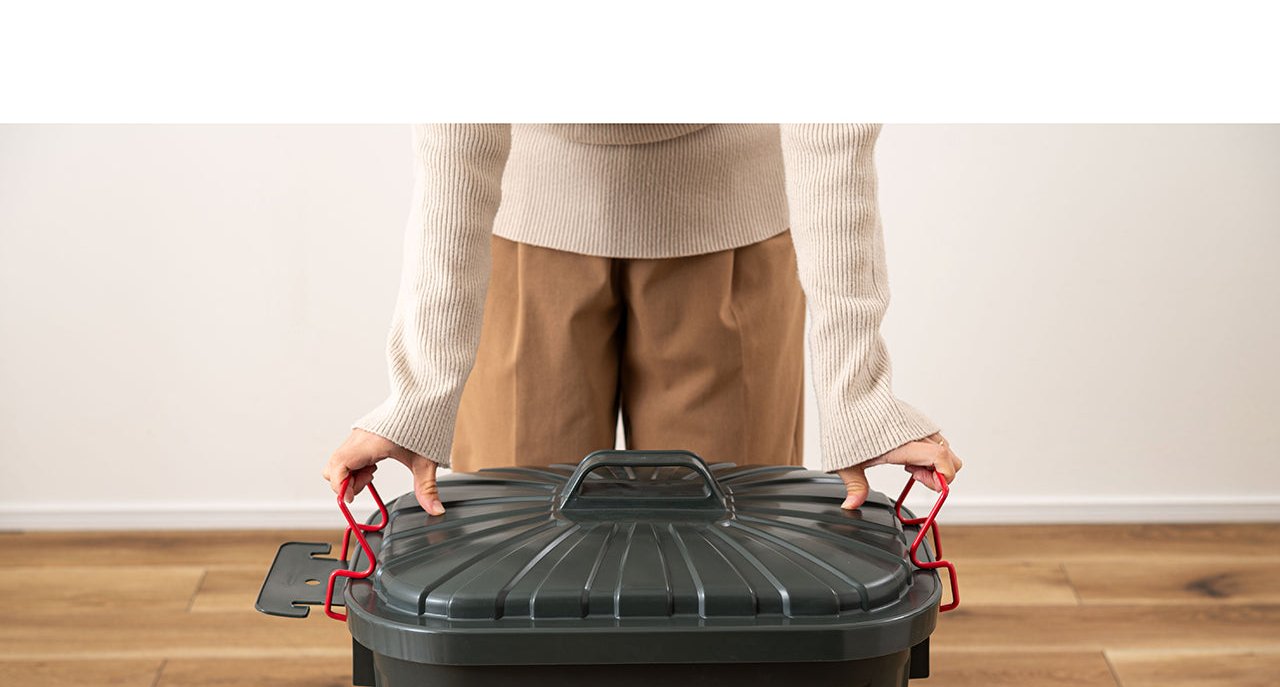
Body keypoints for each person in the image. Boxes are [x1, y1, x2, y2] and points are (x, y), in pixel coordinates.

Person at [323, 124, 961, 515]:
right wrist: (419, 397)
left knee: (726, 556)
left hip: (732, 225)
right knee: (525, 556)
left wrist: (859, 400)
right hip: (525, 233)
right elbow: (453, 143)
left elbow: (831, 133)